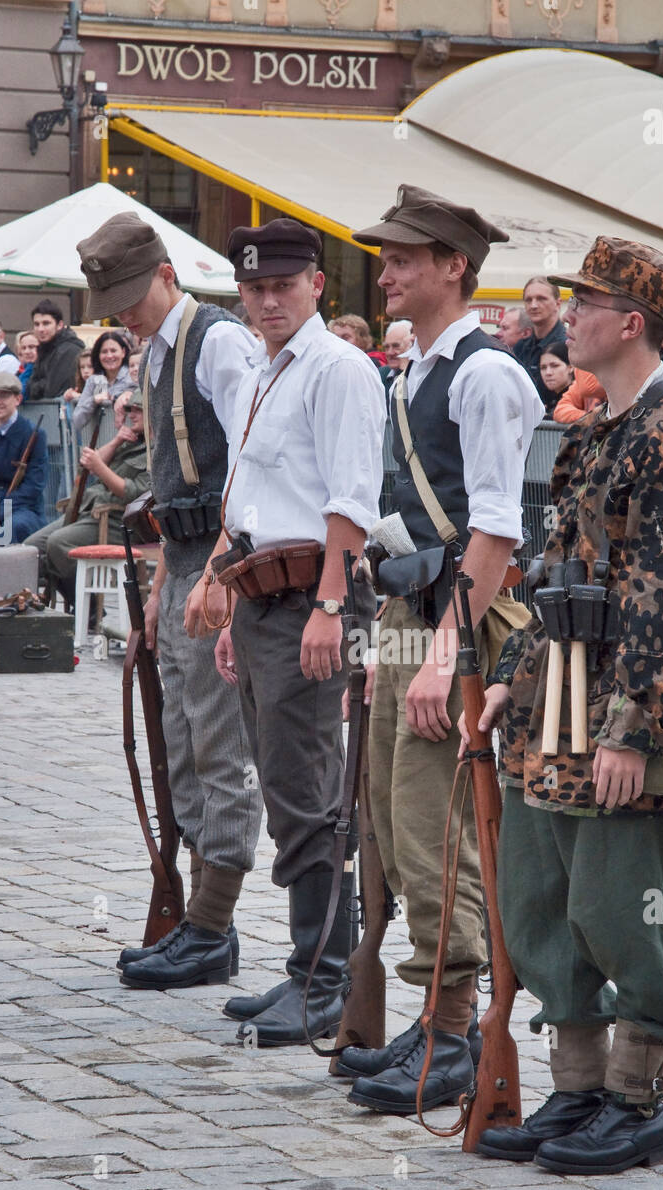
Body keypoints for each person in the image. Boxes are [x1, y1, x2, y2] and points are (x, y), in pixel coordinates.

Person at [467, 236, 663, 1174]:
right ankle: (577, 1089)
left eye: (583, 303)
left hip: (637, 704)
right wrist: (511, 667)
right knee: (546, 898)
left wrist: (637, 730)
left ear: (630, 323)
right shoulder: (598, 429)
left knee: (626, 902)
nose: (563, 315)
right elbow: (558, 574)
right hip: (560, 698)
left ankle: (635, 1103)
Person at [337, 184, 543, 1113]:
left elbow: (495, 529)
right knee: (391, 811)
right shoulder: (415, 368)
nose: (386, 274)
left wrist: (443, 651)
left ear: (453, 267)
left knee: (435, 823)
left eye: (403, 259)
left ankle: (456, 1033)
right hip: (407, 610)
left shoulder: (484, 373)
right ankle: (434, 1016)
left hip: (452, 618)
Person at [187, 220, 385, 1046]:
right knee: (282, 785)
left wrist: (332, 608)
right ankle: (310, 966)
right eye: (254, 288)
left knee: (308, 792)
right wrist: (233, 597)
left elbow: (350, 499)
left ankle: (328, 979)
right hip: (265, 594)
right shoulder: (267, 370)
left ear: (315, 287)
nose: (267, 299)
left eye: (282, 285)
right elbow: (255, 500)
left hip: (313, 595)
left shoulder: (336, 369)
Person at [75, 211, 262, 989]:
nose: (123, 314)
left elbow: (254, 457)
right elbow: (173, 481)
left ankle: (213, 929)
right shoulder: (154, 357)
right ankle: (193, 922)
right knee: (179, 745)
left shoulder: (217, 341)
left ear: (165, 274)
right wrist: (160, 584)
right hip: (181, 560)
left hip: (226, 562)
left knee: (219, 749)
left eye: (130, 295)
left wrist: (219, 568)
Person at [25, 389, 150, 606]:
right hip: (89, 512)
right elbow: (88, 466)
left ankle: (87, 606)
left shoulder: (155, 450)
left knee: (58, 544)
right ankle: (66, 602)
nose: (132, 414)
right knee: (31, 548)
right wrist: (116, 441)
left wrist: (99, 467)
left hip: (118, 522)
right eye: (130, 409)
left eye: (139, 410)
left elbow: (133, 493)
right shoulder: (132, 441)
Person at [0, 373, 47, 544]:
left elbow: (32, 488)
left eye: (4, 395)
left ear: (18, 399)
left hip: (21, 508)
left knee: (10, 529)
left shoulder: (34, 435)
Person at [513, 276, 567, 403]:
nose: (534, 305)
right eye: (528, 300)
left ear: (558, 303)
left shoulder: (569, 345)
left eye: (541, 299)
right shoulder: (520, 348)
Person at [71, 331, 133, 436]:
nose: (109, 356)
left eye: (113, 351)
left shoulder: (132, 376)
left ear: (123, 352)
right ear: (98, 355)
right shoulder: (93, 380)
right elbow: (77, 421)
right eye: (104, 352)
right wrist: (94, 400)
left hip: (129, 444)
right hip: (100, 446)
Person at [379, 319, 414, 397]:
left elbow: (401, 408)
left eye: (396, 346)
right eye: (386, 347)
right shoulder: (380, 374)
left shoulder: (419, 375)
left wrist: (403, 371)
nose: (390, 352)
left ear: (411, 346)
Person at [15, 332, 39, 398]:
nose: (27, 352)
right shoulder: (25, 370)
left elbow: (20, 395)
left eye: (31, 347)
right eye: (23, 348)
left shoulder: (48, 370)